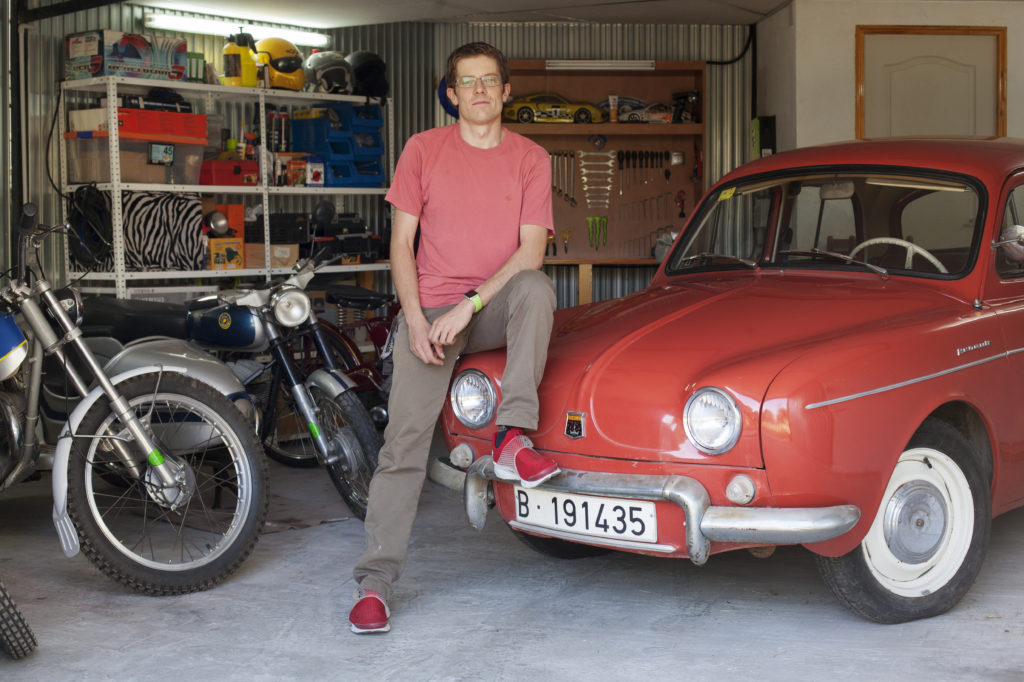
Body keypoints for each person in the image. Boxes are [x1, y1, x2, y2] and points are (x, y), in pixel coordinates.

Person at [348, 41, 560, 634]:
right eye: (468, 83)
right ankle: (375, 584)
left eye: (490, 81)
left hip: (486, 305)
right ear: (452, 93)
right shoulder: (423, 150)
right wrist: (414, 319)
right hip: (430, 312)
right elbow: (400, 245)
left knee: (539, 289)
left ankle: (513, 435)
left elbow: (531, 252)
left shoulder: (531, 157)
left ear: (507, 90)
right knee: (403, 446)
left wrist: (468, 307)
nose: (481, 92)